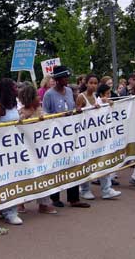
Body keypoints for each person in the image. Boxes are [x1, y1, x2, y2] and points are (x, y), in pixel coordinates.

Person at [43, 66, 90, 209]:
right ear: (57, 80)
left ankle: (74, 198)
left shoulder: (69, 91)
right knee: (57, 166)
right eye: (64, 77)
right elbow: (45, 114)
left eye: (67, 77)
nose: (67, 80)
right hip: (56, 136)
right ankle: (55, 197)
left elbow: (72, 108)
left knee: (73, 163)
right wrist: (58, 117)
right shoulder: (49, 95)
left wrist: (76, 112)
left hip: (71, 134)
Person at [76, 78, 121, 200]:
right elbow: (76, 114)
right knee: (87, 162)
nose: (93, 85)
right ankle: (85, 189)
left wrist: (104, 104)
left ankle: (107, 189)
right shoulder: (81, 97)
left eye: (95, 83)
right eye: (91, 83)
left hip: (97, 136)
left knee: (103, 159)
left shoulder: (96, 97)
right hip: (86, 136)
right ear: (86, 84)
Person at [17, 82, 57, 214]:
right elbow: (17, 127)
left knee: (43, 173)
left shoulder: (40, 110)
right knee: (24, 175)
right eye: (36, 96)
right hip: (26, 150)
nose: (39, 98)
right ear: (29, 98)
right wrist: (26, 117)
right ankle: (20, 202)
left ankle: (43, 203)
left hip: (41, 148)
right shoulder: (21, 113)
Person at [0, 78, 24, 225]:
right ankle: (10, 212)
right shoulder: (0, 107)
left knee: (15, 177)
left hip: (14, 147)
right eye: (14, 87)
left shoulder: (14, 105)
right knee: (8, 178)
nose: (17, 88)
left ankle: (7, 209)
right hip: (3, 148)